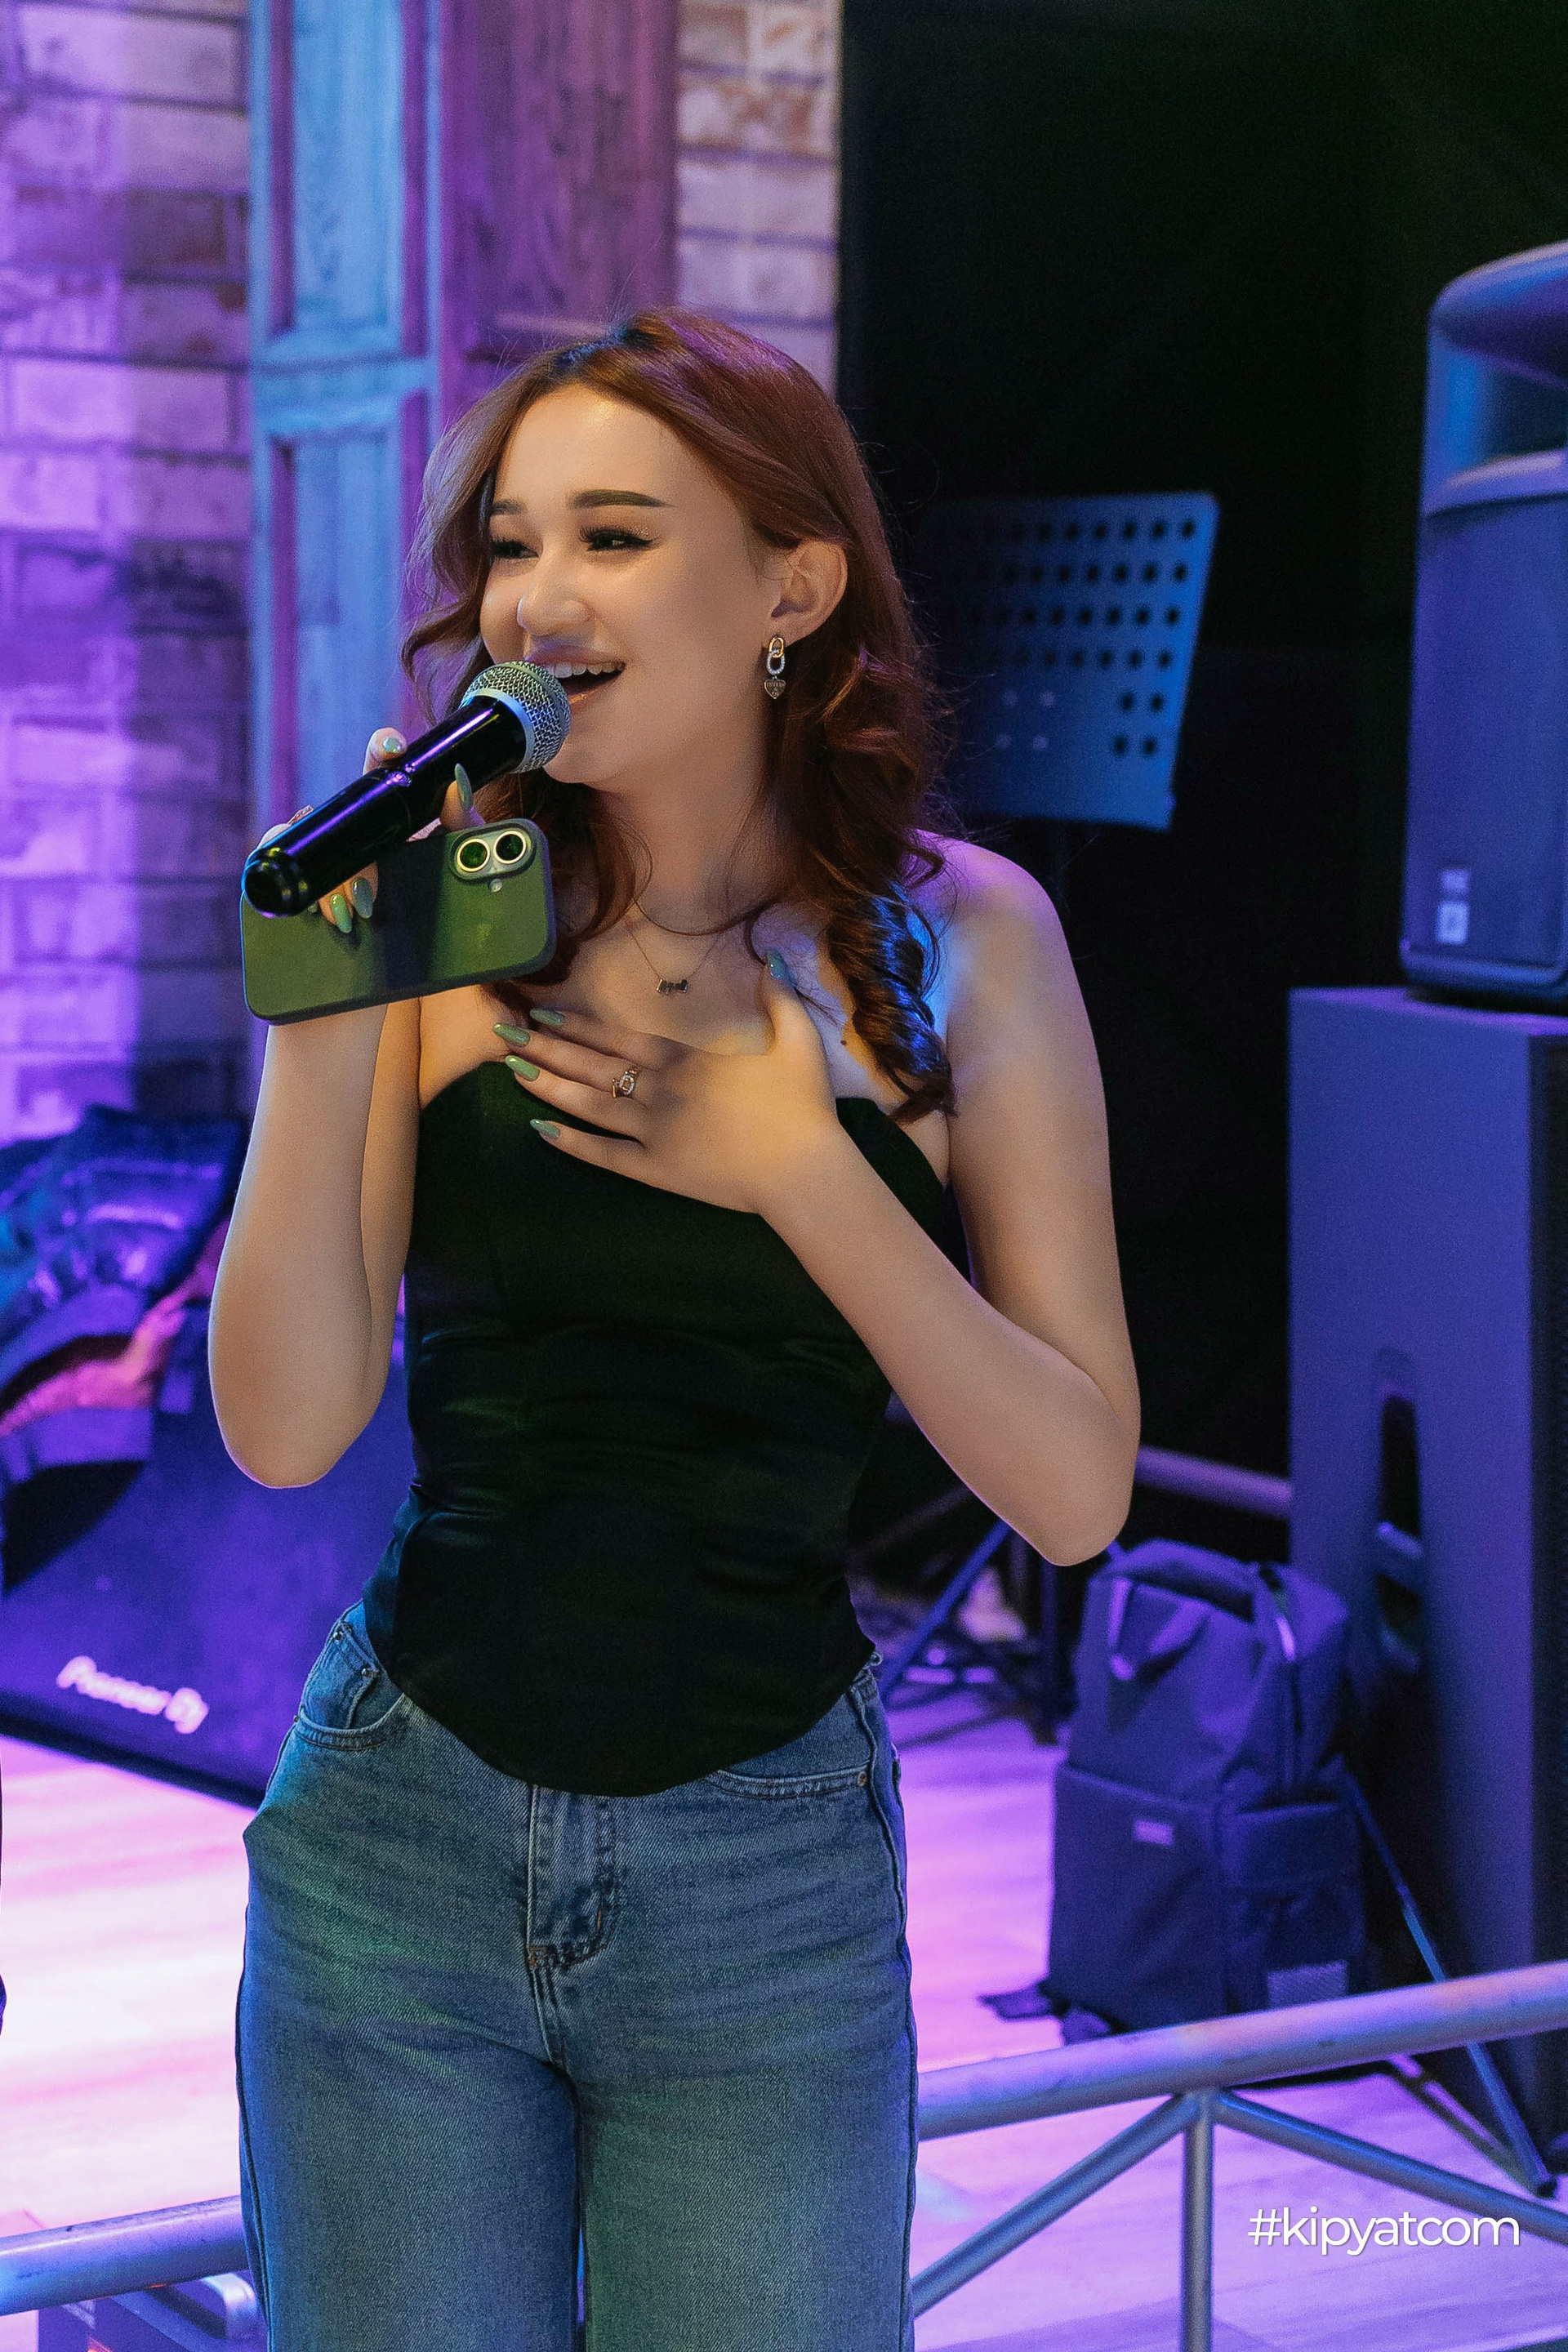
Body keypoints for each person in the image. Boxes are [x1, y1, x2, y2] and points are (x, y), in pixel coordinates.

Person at [208, 308, 1139, 2352]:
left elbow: (1076, 1494)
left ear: (791, 589)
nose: (538, 601)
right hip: (400, 1832)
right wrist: (322, 1023)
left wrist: (800, 1169)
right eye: (511, 546)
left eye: (615, 537)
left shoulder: (968, 936)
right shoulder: (451, 904)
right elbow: (285, 1429)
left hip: (764, 1867)